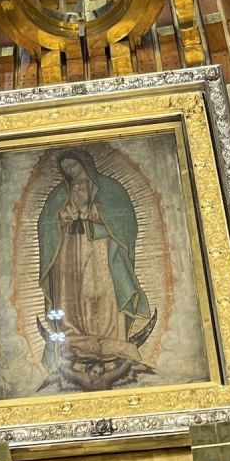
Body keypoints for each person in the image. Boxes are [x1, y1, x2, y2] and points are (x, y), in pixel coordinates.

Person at [35, 148, 155, 391]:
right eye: (66, 169)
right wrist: (65, 215)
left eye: (74, 166)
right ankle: (74, 335)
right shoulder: (60, 194)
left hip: (101, 247)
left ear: (85, 163)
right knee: (74, 293)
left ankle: (111, 337)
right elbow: (47, 224)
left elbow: (125, 220)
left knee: (103, 288)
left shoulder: (110, 189)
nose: (70, 171)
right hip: (70, 249)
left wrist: (95, 213)